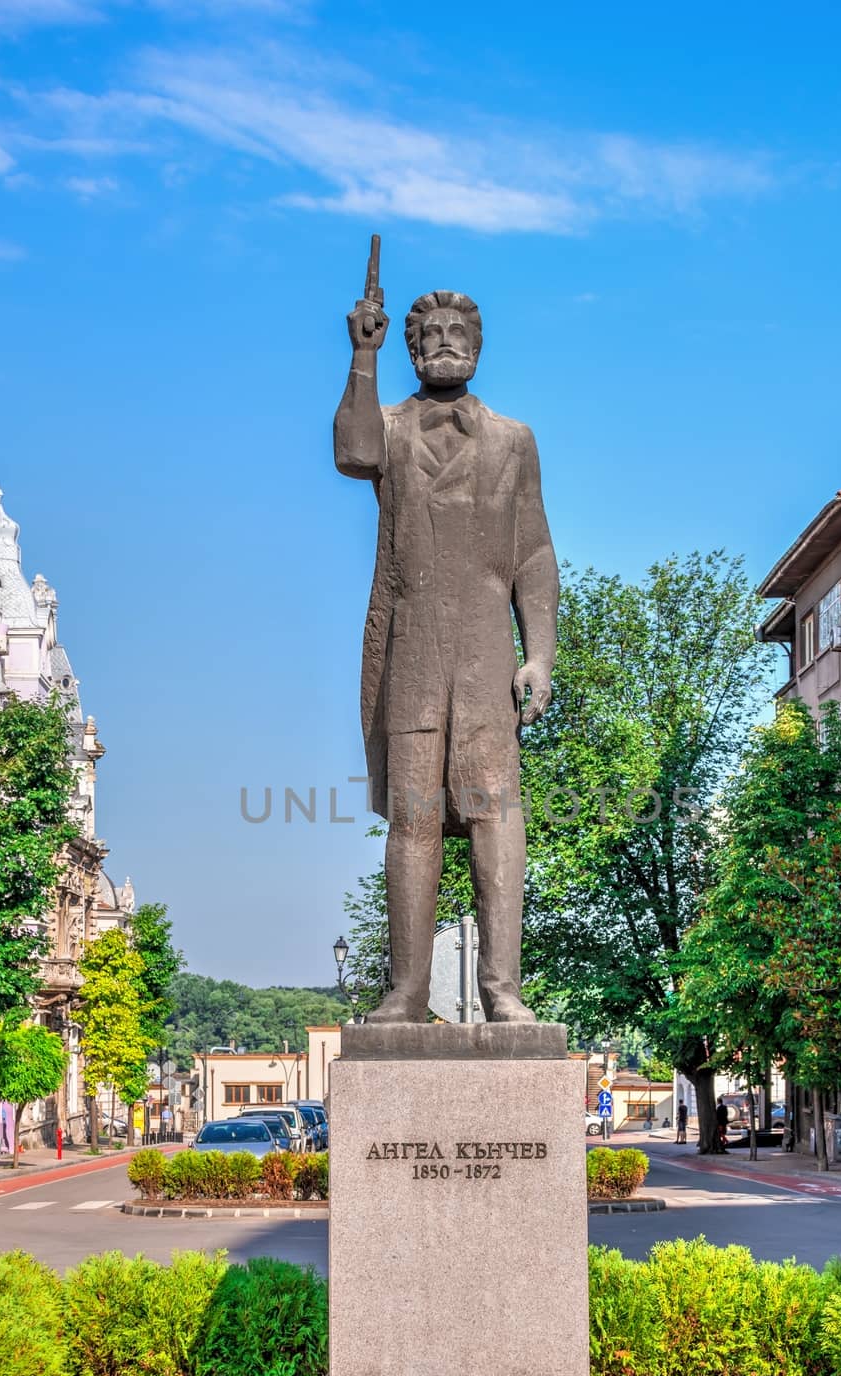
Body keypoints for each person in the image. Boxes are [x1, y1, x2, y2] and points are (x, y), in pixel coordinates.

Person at [335, 253, 559, 1024]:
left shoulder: (513, 441)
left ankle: (503, 991)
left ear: (478, 344)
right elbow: (351, 452)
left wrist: (540, 654)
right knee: (415, 816)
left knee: (496, 815)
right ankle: (406, 993)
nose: (444, 344)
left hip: (487, 659)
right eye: (427, 334)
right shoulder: (390, 430)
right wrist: (361, 356)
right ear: (410, 347)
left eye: (458, 332)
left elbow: (533, 551)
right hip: (411, 654)